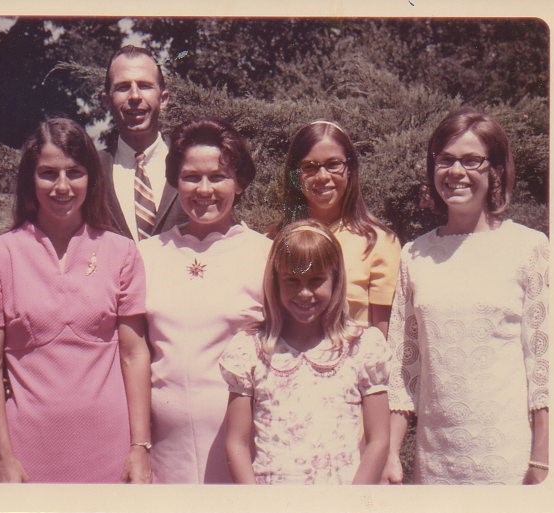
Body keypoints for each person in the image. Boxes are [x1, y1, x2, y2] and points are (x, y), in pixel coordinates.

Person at [0, 118, 152, 483]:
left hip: (110, 448)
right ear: (30, 180)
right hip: (26, 453)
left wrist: (140, 447)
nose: (62, 186)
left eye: (74, 173)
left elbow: (134, 353)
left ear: (91, 178)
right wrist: (2, 456)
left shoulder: (121, 252)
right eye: (48, 174)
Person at [382, 107, 549, 484]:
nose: (456, 172)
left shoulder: (529, 248)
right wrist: (391, 454)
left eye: (472, 160)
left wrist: (542, 459)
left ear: (496, 170)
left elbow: (543, 363)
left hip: (509, 463)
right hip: (436, 465)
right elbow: (403, 367)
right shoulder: (414, 254)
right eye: (446, 160)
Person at [138, 118, 272, 483]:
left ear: (240, 182)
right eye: (191, 177)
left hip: (245, 452)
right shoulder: (146, 255)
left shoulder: (266, 256)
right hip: (164, 453)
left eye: (218, 176)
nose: (204, 189)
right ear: (175, 181)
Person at [219, 220, 390, 484]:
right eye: (292, 281)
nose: (305, 292)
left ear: (335, 279)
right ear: (275, 282)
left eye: (316, 280)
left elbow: (379, 440)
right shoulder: (252, 349)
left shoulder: (361, 346)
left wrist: (354, 504)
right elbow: (236, 444)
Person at [273, 120, 401, 337]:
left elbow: (384, 336)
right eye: (309, 167)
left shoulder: (379, 242)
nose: (323, 177)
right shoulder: (273, 240)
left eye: (333, 164)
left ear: (349, 169)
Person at [99, 45, 188, 241]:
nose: (135, 96)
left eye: (145, 86)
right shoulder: (90, 170)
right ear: (106, 100)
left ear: (163, 99)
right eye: (123, 87)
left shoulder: (190, 162)